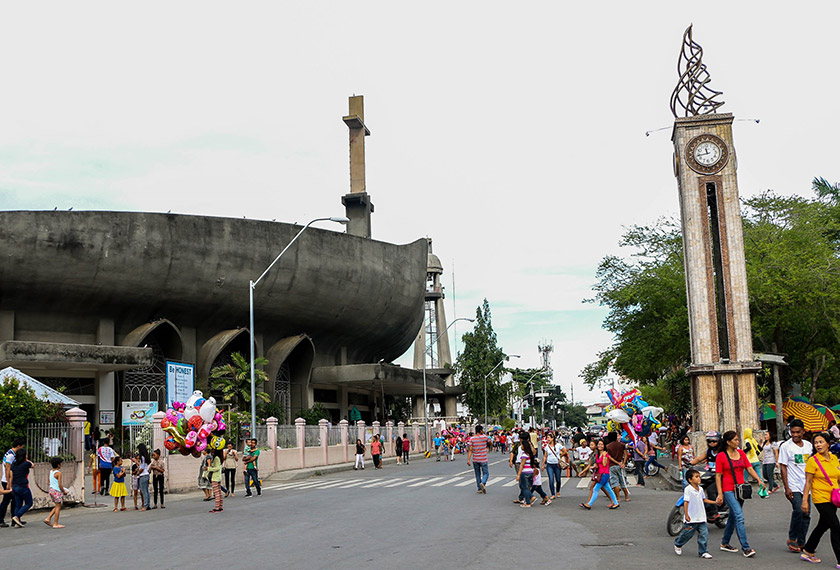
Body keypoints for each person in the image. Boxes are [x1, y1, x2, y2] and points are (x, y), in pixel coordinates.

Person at [715, 430, 762, 557]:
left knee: (733, 517)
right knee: (739, 516)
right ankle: (746, 548)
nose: (737, 442)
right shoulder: (721, 456)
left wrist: (758, 479)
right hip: (728, 489)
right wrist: (720, 494)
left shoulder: (741, 453)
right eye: (735, 440)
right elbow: (718, 476)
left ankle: (725, 543)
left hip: (741, 489)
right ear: (728, 442)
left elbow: (749, 467)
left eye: (737, 439)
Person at [799, 432, 840, 564]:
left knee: (823, 525)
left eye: (821, 442)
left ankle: (808, 550)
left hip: (833, 497)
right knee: (835, 525)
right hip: (820, 498)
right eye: (816, 443)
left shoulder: (834, 458)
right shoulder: (813, 461)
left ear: (828, 444)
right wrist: (805, 501)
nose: (818, 445)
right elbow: (808, 482)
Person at [779, 418, 813, 553]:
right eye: (792, 432)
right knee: (799, 510)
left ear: (803, 432)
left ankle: (802, 541)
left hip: (807, 485)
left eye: (798, 432)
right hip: (793, 485)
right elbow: (783, 467)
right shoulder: (785, 446)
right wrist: (787, 488)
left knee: (807, 513)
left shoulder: (809, 446)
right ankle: (792, 538)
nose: (795, 435)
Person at [674, 468, 715, 559]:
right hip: (692, 517)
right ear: (690, 480)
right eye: (696, 477)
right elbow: (686, 502)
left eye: (699, 477)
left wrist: (715, 502)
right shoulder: (688, 489)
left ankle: (703, 551)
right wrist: (687, 514)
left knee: (704, 534)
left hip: (701, 517)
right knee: (687, 534)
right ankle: (678, 544)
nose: (699, 479)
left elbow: (704, 499)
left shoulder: (700, 489)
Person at [581, 439, 619, 510]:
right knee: (609, 490)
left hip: (604, 474)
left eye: (601, 444)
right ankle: (616, 503)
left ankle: (589, 504)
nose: (600, 446)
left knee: (595, 489)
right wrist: (594, 466)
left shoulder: (605, 454)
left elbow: (604, 464)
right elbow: (598, 464)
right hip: (600, 474)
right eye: (599, 444)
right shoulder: (597, 454)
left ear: (604, 446)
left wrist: (604, 456)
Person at [0, 438, 24, 528]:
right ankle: (1, 519)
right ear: (18, 446)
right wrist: (8, 482)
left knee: (15, 500)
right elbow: (7, 469)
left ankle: (15, 518)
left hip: (12, 480)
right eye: (21, 447)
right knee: (6, 501)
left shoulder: (12, 454)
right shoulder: (10, 455)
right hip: (7, 481)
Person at [9, 448, 34, 527]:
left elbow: (11, 476)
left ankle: (17, 521)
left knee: (18, 504)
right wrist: (26, 459)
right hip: (23, 486)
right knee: (29, 503)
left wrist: (10, 486)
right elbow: (32, 465)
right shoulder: (26, 463)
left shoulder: (13, 464)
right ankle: (17, 516)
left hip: (15, 486)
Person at [44, 456, 70, 528]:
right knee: (58, 506)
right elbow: (60, 484)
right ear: (58, 464)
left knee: (57, 505)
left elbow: (48, 482)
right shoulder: (58, 473)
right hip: (56, 490)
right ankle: (56, 523)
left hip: (51, 489)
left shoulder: (51, 472)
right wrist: (64, 491)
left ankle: (48, 518)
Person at [605, 432, 630, 503]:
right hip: (620, 465)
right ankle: (626, 496)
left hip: (611, 466)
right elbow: (626, 454)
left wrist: (616, 462)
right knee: (623, 481)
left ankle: (618, 498)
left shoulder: (608, 446)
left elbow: (608, 457)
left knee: (614, 482)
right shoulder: (622, 445)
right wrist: (623, 463)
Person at [542, 431, 567, 500]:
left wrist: (560, 455)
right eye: (547, 438)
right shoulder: (547, 447)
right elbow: (545, 456)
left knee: (558, 479)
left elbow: (565, 451)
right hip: (549, 464)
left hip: (557, 464)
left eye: (549, 438)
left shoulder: (558, 445)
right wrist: (543, 464)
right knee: (551, 479)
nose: (547, 439)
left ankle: (558, 491)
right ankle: (553, 494)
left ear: (553, 438)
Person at [516, 436, 538, 508]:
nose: (521, 446)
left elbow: (522, 465)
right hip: (530, 472)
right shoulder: (530, 454)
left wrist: (518, 475)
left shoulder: (524, 455)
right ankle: (529, 499)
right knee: (526, 487)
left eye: (522, 445)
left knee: (524, 487)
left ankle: (529, 500)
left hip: (525, 472)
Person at [467, 425, 490, 494]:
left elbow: (470, 450)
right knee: (486, 473)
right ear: (480, 431)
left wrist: (468, 459)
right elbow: (490, 443)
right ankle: (483, 482)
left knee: (477, 474)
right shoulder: (485, 437)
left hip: (475, 459)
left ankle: (479, 488)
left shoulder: (472, 439)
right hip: (483, 459)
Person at [206, 449, 223, 513]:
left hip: (215, 477)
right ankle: (220, 506)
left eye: (213, 450)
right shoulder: (219, 457)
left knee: (216, 493)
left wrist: (208, 468)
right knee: (219, 492)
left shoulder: (216, 458)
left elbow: (217, 468)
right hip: (218, 477)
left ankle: (217, 507)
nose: (211, 451)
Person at [136, 443, 151, 511]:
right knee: (146, 491)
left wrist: (138, 473)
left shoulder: (142, 457)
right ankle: (147, 504)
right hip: (146, 474)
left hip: (143, 475)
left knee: (144, 491)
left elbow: (141, 468)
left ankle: (145, 505)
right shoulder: (146, 457)